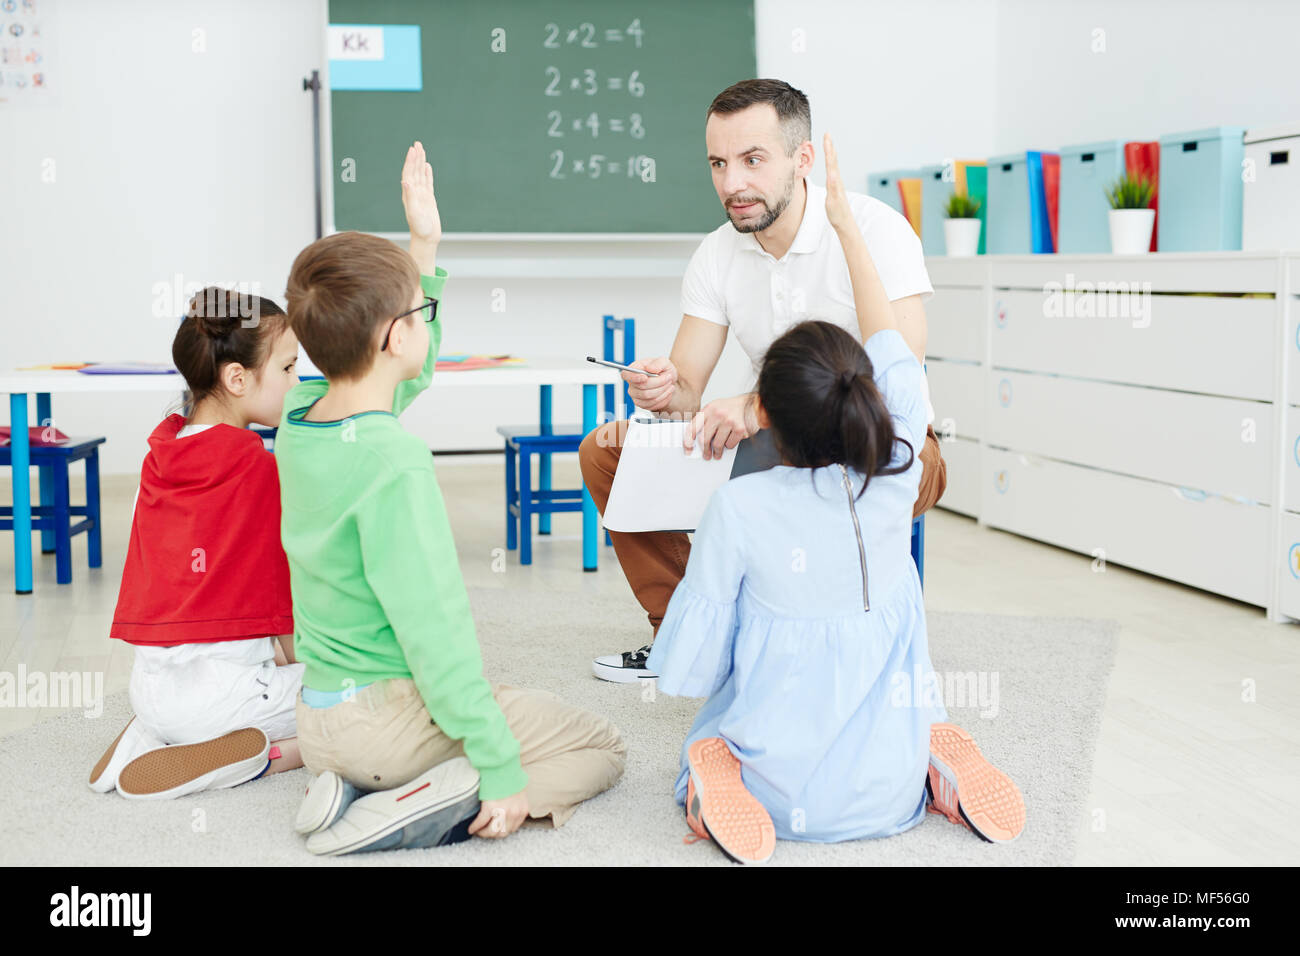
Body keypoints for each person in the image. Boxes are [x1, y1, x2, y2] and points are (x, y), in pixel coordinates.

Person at [644, 135, 1024, 864]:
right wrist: (848, 224)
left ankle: (705, 784)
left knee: (708, 734)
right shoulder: (897, 471)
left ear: (769, 418)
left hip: (776, 795)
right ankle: (932, 768)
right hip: (891, 797)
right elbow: (893, 354)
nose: (731, 177)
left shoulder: (742, 509)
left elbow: (695, 662)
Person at [279, 141, 626, 856]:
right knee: (600, 744)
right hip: (384, 725)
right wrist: (498, 765)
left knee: (494, 715)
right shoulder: (395, 463)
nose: (426, 322)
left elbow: (399, 380)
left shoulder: (301, 420)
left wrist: (424, 245)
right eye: (422, 310)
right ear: (393, 334)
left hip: (319, 723)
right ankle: (432, 801)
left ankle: (358, 783)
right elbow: (434, 635)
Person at [581, 78, 947, 682]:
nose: (732, 184)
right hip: (774, 443)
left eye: (752, 160)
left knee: (804, 466)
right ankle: (686, 638)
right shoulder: (717, 253)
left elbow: (894, 368)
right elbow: (686, 393)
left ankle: (807, 643)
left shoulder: (873, 229)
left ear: (802, 160)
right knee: (608, 451)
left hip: (884, 445)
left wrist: (759, 407)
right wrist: (661, 387)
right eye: (719, 164)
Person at [90, 287, 306, 799]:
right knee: (362, 700)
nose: (297, 383)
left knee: (231, 669)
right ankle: (264, 756)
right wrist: (308, 671)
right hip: (221, 700)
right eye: (289, 369)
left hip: (149, 687)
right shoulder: (255, 467)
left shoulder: (161, 458)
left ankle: (152, 733)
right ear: (237, 378)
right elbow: (284, 595)